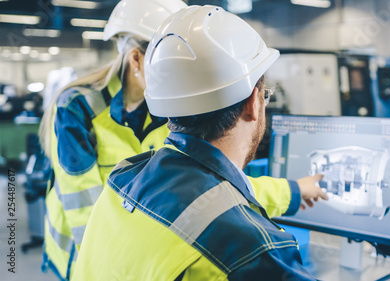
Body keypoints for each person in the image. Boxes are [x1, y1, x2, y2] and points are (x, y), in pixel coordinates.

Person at [38, 0, 327, 279]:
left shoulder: (161, 125)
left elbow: (203, 189)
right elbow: (83, 212)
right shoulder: (78, 109)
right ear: (137, 58)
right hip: (86, 256)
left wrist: (291, 191)